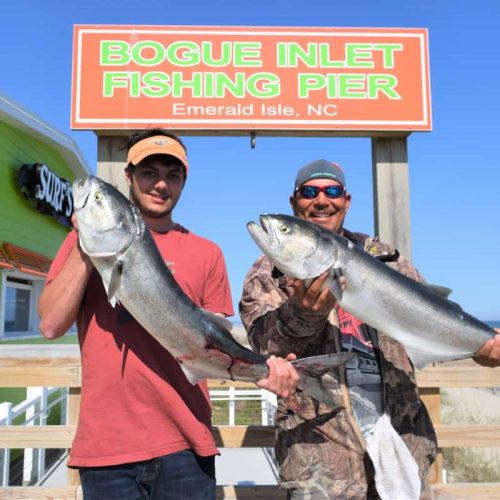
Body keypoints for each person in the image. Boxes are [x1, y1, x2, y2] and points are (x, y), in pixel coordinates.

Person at [38, 129, 298, 500]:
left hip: (186, 443)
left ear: (183, 183)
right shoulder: (80, 246)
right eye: (149, 172)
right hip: (107, 447)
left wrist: (263, 371)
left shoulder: (206, 253)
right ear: (128, 176)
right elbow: (49, 325)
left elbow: (216, 345)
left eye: (172, 175)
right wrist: (87, 244)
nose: (161, 184)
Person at [239, 159, 500, 499]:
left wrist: (478, 345)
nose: (322, 200)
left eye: (332, 191)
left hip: (404, 444)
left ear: (346, 201)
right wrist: (302, 313)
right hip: (320, 460)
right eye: (310, 192)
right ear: (294, 201)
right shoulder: (266, 275)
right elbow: (263, 349)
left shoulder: (386, 258)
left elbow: (432, 319)